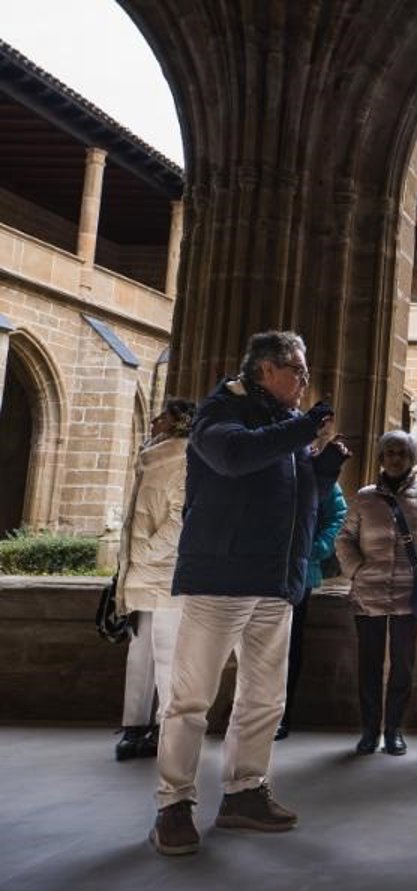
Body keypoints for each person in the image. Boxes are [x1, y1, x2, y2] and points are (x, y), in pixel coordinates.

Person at [149, 331, 348, 856]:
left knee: (264, 698)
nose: (305, 381)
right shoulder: (222, 411)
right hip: (222, 579)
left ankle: (244, 793)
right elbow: (234, 457)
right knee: (191, 699)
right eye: (298, 372)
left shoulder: (285, 426)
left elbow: (294, 500)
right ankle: (173, 804)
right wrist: (304, 431)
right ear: (266, 370)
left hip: (274, 582)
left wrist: (321, 472)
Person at [336, 430, 417, 757]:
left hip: (408, 594)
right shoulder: (364, 497)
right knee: (369, 665)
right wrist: (357, 571)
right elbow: (344, 538)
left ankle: (394, 730)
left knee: (403, 665)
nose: (395, 458)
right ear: (380, 457)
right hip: (368, 593)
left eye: (402, 452)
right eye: (389, 451)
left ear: (412, 458)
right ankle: (369, 730)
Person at [113, 398, 196, 762]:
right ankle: (134, 725)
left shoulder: (183, 459)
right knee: (140, 648)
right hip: (143, 571)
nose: (154, 420)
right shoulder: (151, 456)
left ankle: (166, 728)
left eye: (162, 415)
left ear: (178, 423)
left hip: (165, 570)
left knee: (167, 652)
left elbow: (180, 519)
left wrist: (147, 554)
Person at [275, 477, 348, 741]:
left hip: (299, 572)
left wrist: (314, 548)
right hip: (259, 569)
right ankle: (250, 713)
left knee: (290, 646)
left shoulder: (317, 471)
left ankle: (282, 715)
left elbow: (337, 515)